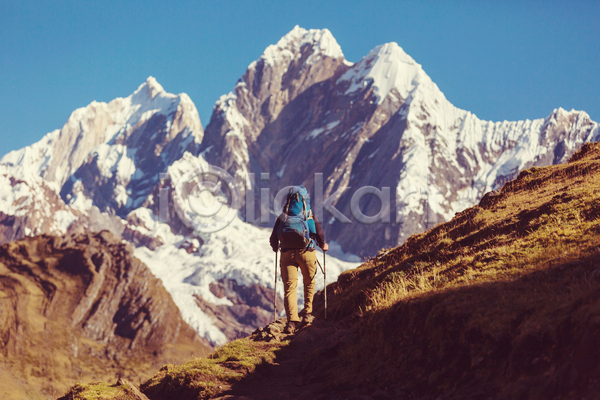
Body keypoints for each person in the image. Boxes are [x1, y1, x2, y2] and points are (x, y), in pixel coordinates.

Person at [270, 186, 328, 334]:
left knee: (290, 288)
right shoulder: (308, 215)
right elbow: (318, 234)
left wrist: (276, 247)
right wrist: (323, 245)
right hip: (306, 253)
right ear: (304, 200)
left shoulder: (283, 217)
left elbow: (273, 238)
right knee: (309, 282)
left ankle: (292, 322)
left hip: (287, 255)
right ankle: (307, 314)